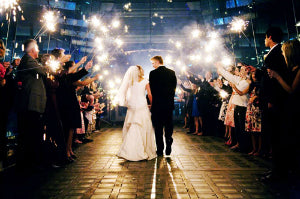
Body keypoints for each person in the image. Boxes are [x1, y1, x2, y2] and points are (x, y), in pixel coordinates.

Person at [268, 39, 300, 178]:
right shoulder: (289, 68)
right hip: (286, 108)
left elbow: (292, 90)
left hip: (295, 109)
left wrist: (278, 77)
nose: (281, 54)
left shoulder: (299, 70)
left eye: (283, 52)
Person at [260, 27, 289, 181]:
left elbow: (273, 81)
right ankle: (275, 169)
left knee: (276, 137)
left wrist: (271, 100)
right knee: (273, 137)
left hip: (273, 102)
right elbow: (267, 75)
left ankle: (278, 171)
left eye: (265, 38)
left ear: (270, 37)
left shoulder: (276, 54)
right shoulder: (274, 53)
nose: (264, 41)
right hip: (270, 100)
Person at [16, 39, 47, 170]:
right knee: (30, 134)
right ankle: (29, 163)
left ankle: (33, 160)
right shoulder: (28, 60)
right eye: (37, 49)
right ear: (32, 50)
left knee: (34, 133)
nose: (38, 51)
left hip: (34, 104)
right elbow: (43, 71)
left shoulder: (32, 61)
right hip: (30, 104)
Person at [116, 65, 157, 161]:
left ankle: (128, 150)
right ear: (140, 71)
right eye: (142, 69)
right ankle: (140, 150)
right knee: (142, 126)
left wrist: (126, 101)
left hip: (132, 105)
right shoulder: (146, 81)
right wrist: (152, 104)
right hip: (142, 105)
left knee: (132, 126)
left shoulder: (130, 81)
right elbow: (150, 94)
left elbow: (124, 92)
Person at [218, 64, 250, 152]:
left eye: (243, 70)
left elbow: (240, 91)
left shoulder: (247, 82)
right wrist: (220, 69)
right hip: (236, 104)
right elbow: (229, 76)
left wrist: (234, 86)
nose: (241, 72)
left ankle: (243, 145)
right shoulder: (239, 79)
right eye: (241, 70)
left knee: (241, 126)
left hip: (242, 105)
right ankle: (238, 143)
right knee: (237, 126)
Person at [149, 56, 177, 156]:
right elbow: (174, 88)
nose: (152, 65)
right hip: (168, 105)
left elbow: (151, 90)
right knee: (168, 126)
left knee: (158, 128)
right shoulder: (171, 72)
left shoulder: (153, 73)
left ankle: (160, 149)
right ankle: (169, 141)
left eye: (153, 63)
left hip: (157, 105)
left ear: (157, 62)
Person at [246, 69, 262, 156]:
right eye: (252, 75)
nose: (253, 76)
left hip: (257, 109)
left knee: (258, 131)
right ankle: (254, 148)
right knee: (252, 130)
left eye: (255, 74)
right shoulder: (251, 85)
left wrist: (256, 97)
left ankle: (259, 149)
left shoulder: (261, 85)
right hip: (251, 109)